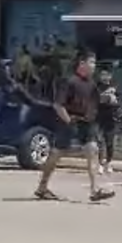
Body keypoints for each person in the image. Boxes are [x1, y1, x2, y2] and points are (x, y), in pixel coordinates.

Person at [34, 52, 115, 203]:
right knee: (56, 153)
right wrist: (69, 122)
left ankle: (94, 190)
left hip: (86, 123)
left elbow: (97, 100)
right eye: (91, 62)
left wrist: (108, 98)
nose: (94, 66)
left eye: (94, 63)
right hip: (69, 122)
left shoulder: (91, 83)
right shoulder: (69, 81)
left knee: (93, 151)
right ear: (82, 64)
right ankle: (42, 187)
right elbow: (58, 105)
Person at [95, 68, 120, 175]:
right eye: (102, 74)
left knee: (110, 142)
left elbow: (120, 101)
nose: (105, 77)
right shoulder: (96, 87)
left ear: (110, 76)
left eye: (107, 74)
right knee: (99, 141)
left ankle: (108, 163)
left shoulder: (115, 87)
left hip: (111, 118)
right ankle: (99, 164)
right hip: (98, 118)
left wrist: (114, 99)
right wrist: (104, 97)